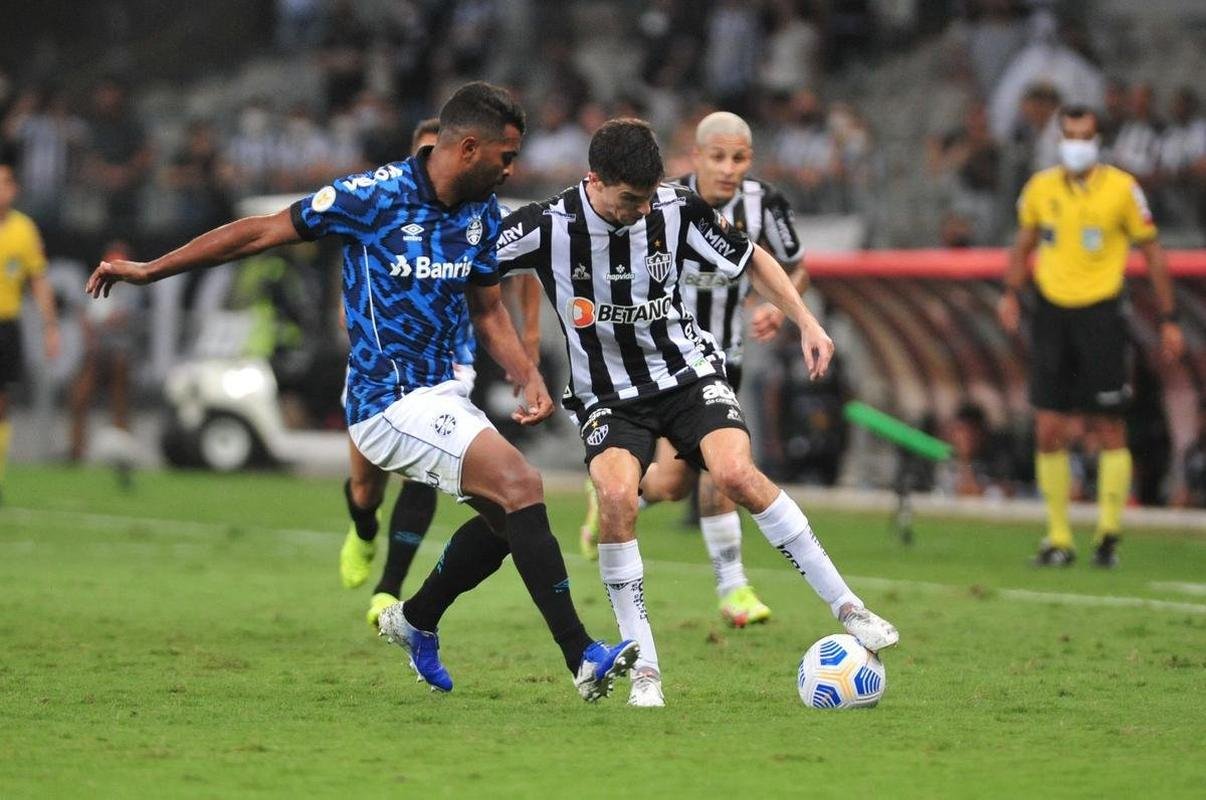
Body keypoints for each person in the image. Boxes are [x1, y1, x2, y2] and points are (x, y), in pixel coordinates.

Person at [86, 81, 637, 702]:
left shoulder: (481, 210)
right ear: (468, 148)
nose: (512, 169)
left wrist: (525, 371)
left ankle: (417, 619)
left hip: (442, 395)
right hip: (385, 401)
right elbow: (262, 231)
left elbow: (487, 311)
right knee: (522, 486)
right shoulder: (372, 196)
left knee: (509, 520)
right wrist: (151, 269)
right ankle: (583, 658)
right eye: (505, 157)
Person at [497, 118, 898, 707]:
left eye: (648, 196)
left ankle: (849, 607)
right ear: (594, 180)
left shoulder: (675, 208)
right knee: (617, 498)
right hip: (608, 395)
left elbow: (753, 258)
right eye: (629, 199)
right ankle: (645, 670)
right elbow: (471, 273)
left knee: (735, 474)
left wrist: (806, 322)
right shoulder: (546, 224)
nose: (641, 210)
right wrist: (525, 365)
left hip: (687, 374)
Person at [577, 111, 809, 629]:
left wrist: (780, 309)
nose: (728, 168)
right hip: (667, 364)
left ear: (750, 159)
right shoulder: (659, 200)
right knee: (671, 484)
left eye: (739, 158)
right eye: (718, 157)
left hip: (726, 356)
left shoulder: (766, 204)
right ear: (696, 156)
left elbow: (796, 267)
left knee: (721, 472)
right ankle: (618, 496)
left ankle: (733, 588)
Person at [338, 118, 540, 631]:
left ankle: (389, 587)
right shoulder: (385, 203)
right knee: (365, 487)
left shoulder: (478, 212)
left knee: (423, 469)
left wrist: (530, 345)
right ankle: (364, 528)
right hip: (378, 370)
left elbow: (522, 269)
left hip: (450, 364)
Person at [998, 105, 1184, 568]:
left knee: (1108, 426)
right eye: (1070, 136)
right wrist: (1011, 293)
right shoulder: (1040, 188)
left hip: (1101, 315)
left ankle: (1108, 535)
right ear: (1059, 139)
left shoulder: (1123, 189)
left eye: (1084, 136)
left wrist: (1169, 317)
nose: (1076, 145)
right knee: (1048, 427)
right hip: (1051, 314)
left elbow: (1153, 252)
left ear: (1098, 141)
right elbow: (1023, 244)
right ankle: (1059, 537)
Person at [0, 149, 60, 503]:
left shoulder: (24, 230)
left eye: (6, 182)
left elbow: (38, 279)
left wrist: (50, 326)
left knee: (2, 403)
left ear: (15, 189)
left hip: (7, 325)